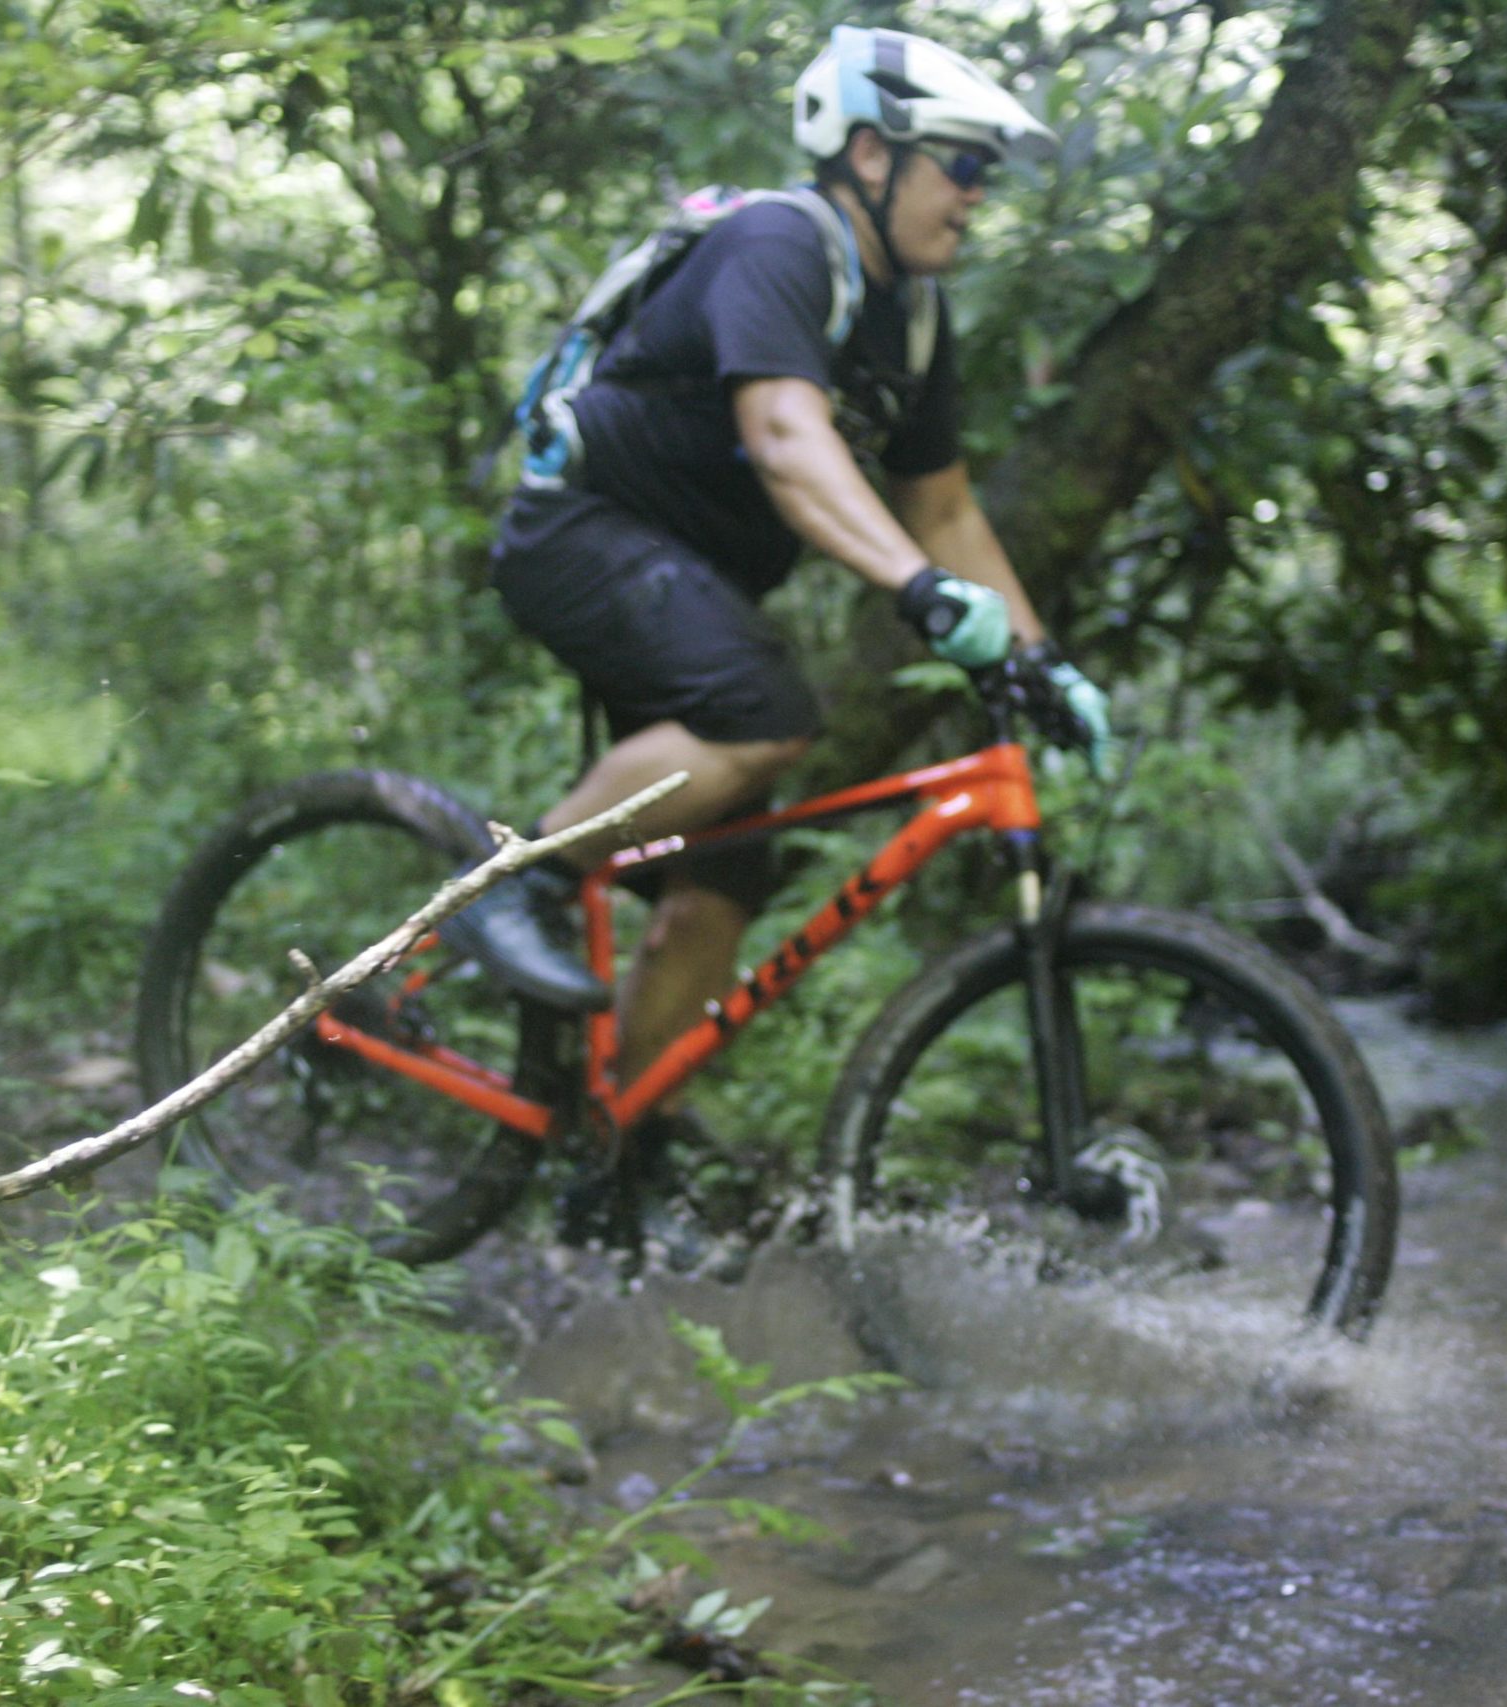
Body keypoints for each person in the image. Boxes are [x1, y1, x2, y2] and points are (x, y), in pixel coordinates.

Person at [443, 24, 1113, 1217]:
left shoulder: (913, 321)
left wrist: (1040, 659)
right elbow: (783, 436)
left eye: (985, 173)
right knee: (760, 713)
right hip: (582, 535)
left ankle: (613, 1160)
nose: (975, 194)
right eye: (960, 164)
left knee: (718, 892)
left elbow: (945, 510)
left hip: (687, 582)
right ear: (870, 154)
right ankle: (511, 884)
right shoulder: (778, 243)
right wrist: (917, 592)